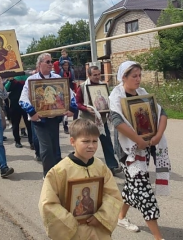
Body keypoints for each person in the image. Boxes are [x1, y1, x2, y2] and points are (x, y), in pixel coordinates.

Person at [109, 61, 169, 239]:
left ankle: (120, 217)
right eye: (134, 76)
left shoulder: (143, 94)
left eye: (139, 75)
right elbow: (117, 122)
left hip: (146, 146)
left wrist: (157, 135)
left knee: (131, 185)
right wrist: (138, 141)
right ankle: (158, 236)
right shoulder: (116, 97)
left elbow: (162, 113)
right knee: (143, 190)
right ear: (123, 78)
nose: (138, 79)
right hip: (128, 151)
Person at [39, 119, 123, 240]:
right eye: (86, 141)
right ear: (72, 141)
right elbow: (47, 203)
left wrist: (101, 217)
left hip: (98, 230)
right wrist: (71, 222)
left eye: (95, 141)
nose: (91, 145)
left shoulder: (101, 168)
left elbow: (113, 195)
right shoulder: (59, 171)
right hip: (73, 232)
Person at [20, 53, 77, 177]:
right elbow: (23, 99)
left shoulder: (57, 78)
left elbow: (71, 95)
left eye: (51, 62)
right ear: (40, 64)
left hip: (54, 118)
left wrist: (72, 108)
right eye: (48, 62)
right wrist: (32, 112)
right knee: (46, 148)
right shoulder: (32, 80)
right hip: (40, 120)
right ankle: (48, 176)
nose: (51, 64)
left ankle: (58, 174)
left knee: (55, 147)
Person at [76, 66, 120, 174]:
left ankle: (112, 166)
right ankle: (86, 166)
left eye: (98, 74)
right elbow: (78, 103)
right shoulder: (82, 87)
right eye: (94, 75)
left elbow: (107, 100)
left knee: (107, 143)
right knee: (88, 144)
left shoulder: (103, 86)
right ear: (89, 75)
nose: (97, 77)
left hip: (102, 120)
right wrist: (86, 109)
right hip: (88, 120)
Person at [5, 75, 33, 149]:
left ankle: (32, 142)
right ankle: (17, 141)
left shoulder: (27, 77)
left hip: (26, 103)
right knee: (15, 124)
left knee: (29, 124)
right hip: (15, 104)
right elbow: (6, 89)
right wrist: (10, 81)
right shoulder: (11, 78)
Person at [61, 60, 77, 134]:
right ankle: (65, 126)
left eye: (67, 65)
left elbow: (73, 81)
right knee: (65, 110)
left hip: (71, 90)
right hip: (63, 91)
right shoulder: (60, 72)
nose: (66, 66)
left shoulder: (71, 71)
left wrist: (75, 90)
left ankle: (74, 125)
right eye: (64, 65)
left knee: (75, 108)